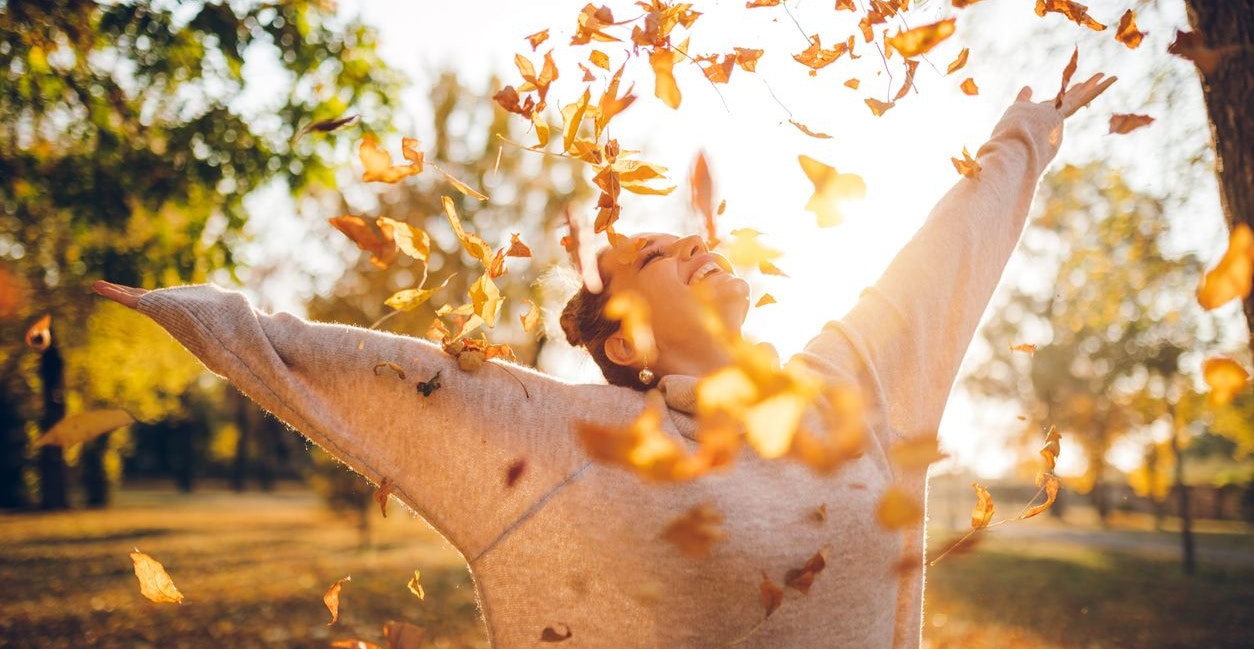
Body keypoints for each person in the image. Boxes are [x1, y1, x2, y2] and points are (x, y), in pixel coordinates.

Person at [94, 75, 1114, 648]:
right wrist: (188, 314)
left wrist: (1029, 129)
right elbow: (376, 372)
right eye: (659, 252)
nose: (695, 241)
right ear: (624, 339)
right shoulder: (580, 445)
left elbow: (943, 254)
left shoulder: (854, 382)